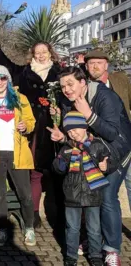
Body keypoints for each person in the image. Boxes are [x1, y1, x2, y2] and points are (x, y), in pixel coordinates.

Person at [50, 66, 131, 265]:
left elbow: (112, 133)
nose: (66, 89)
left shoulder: (105, 97)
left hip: (117, 151)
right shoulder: (68, 101)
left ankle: (111, 249)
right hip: (92, 151)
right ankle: (93, 239)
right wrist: (62, 138)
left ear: (83, 84)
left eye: (70, 84)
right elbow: (75, 131)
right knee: (87, 194)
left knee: (107, 196)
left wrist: (88, 114)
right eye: (63, 86)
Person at [0, 26, 63, 228]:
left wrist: (60, 112)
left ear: (50, 53)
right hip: (32, 130)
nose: (40, 55)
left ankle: (60, 212)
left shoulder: (60, 73)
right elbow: (4, 66)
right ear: (33, 54)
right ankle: (34, 214)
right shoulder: (25, 72)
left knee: (58, 170)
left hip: (56, 127)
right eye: (37, 52)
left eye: (44, 52)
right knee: (35, 172)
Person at [0, 65, 37, 247]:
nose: (0, 81)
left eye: (3, 78)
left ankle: (29, 228)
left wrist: (25, 126)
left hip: (17, 153)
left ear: (8, 80)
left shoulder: (20, 99)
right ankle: (2, 230)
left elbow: (31, 121)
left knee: (25, 194)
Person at [53, 111, 118, 266]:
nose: (72, 133)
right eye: (68, 131)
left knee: (94, 229)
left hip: (92, 193)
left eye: (75, 129)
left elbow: (113, 161)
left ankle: (95, 255)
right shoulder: (67, 148)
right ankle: (71, 256)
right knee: (72, 229)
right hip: (72, 195)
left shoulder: (97, 145)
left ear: (84, 127)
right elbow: (58, 167)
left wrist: (106, 166)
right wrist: (60, 164)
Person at [77, 50, 131, 216]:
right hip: (100, 146)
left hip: (124, 142)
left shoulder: (120, 80)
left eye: (99, 62)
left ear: (106, 65)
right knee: (105, 193)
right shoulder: (82, 87)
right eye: (91, 63)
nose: (95, 66)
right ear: (86, 66)